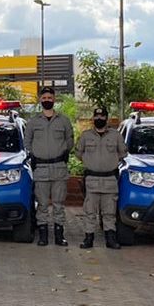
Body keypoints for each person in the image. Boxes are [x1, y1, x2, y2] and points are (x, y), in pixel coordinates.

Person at [24, 89, 74, 246]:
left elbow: (70, 141)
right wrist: (35, 154)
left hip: (59, 166)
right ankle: (43, 236)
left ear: (54, 99)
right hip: (41, 168)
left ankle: (60, 236)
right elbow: (27, 142)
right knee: (43, 204)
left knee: (59, 204)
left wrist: (61, 152)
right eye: (44, 97)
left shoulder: (64, 121)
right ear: (40, 100)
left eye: (50, 97)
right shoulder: (33, 122)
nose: (47, 100)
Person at [76, 105, 127, 249]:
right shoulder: (86, 136)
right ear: (93, 118)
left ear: (107, 118)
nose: (99, 119)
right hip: (92, 179)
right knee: (90, 211)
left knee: (109, 212)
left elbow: (123, 153)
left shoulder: (115, 135)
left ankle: (110, 239)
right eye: (97, 116)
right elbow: (79, 154)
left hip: (109, 180)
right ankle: (88, 238)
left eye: (102, 116)